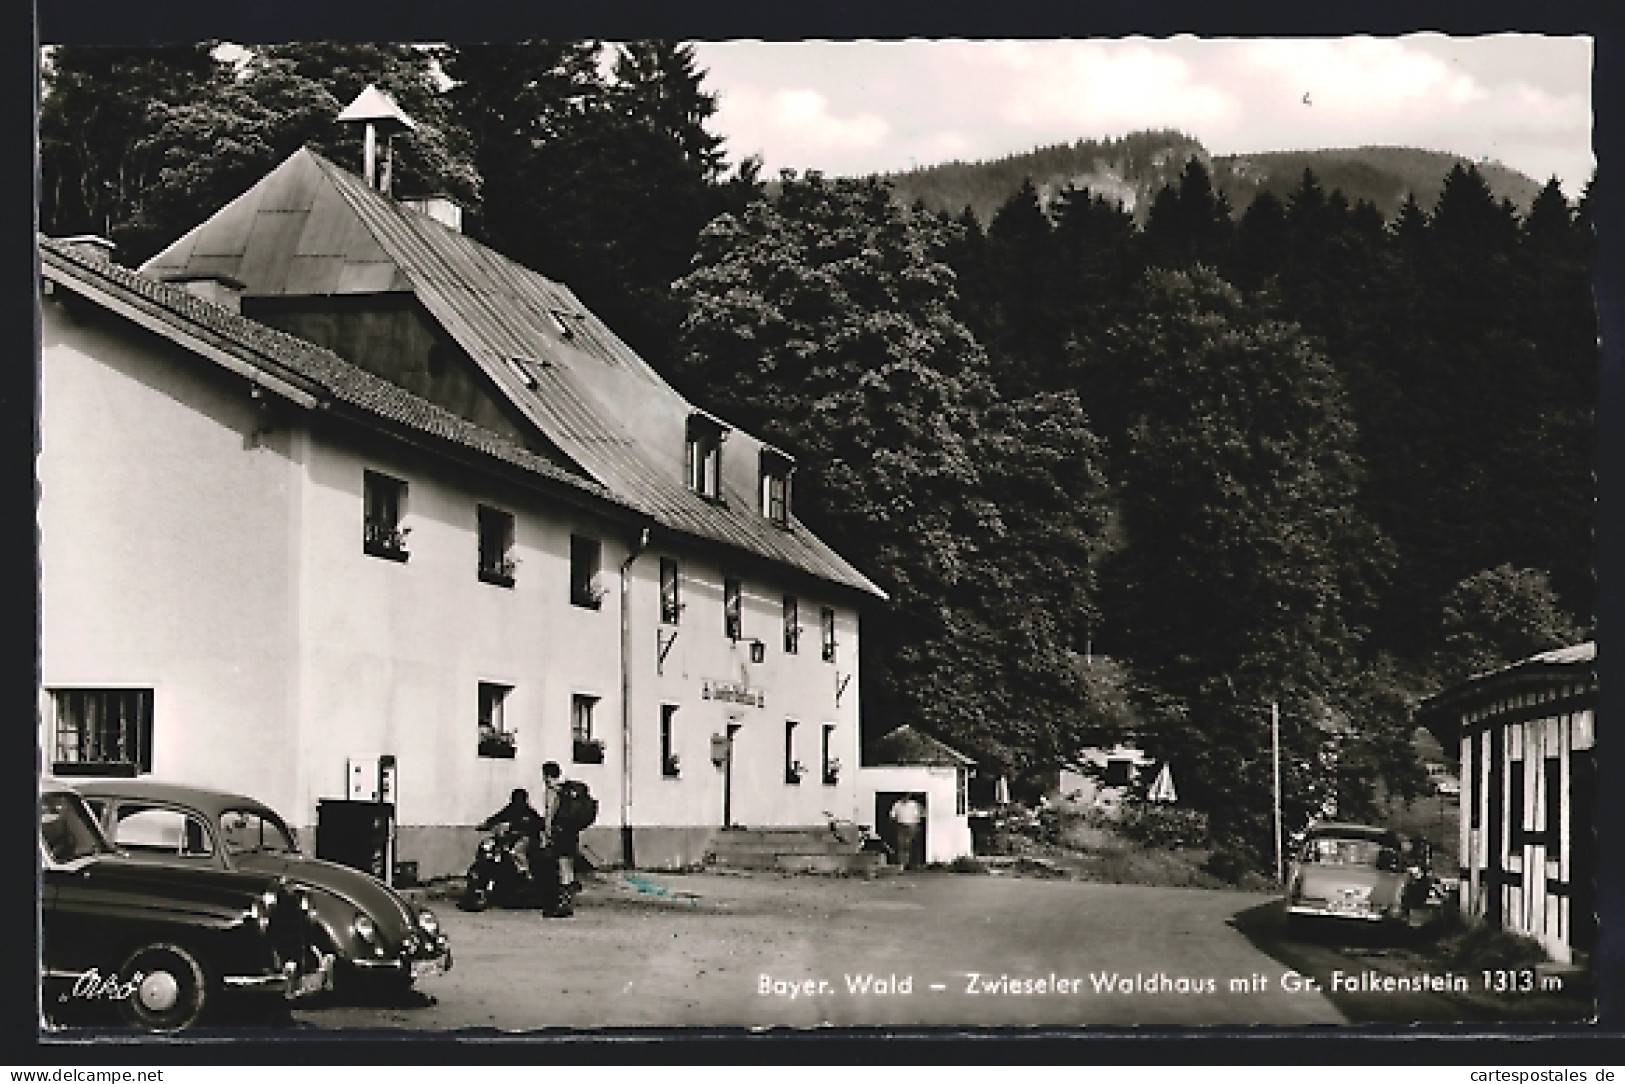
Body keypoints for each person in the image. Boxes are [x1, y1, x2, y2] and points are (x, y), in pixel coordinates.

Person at [540, 761, 580, 916]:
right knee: (568, 867)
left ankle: (562, 905)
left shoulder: (553, 791)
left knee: (562, 866)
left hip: (559, 833)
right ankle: (568, 902)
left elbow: (550, 813)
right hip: (571, 833)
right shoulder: (566, 790)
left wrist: (547, 833)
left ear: (547, 775)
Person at [480, 787, 542, 879]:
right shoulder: (510, 809)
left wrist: (526, 830)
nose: (517, 802)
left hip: (526, 839)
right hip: (511, 838)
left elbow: (539, 824)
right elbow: (498, 817)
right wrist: (486, 824)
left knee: (516, 852)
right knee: (492, 848)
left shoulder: (529, 813)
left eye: (519, 799)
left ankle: (526, 873)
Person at [889, 794, 925, 870]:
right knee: (902, 845)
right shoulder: (897, 804)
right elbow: (892, 816)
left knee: (913, 844)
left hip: (913, 825)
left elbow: (922, 814)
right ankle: (903, 864)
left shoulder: (914, 804)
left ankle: (914, 863)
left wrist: (918, 822)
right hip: (901, 825)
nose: (905, 798)